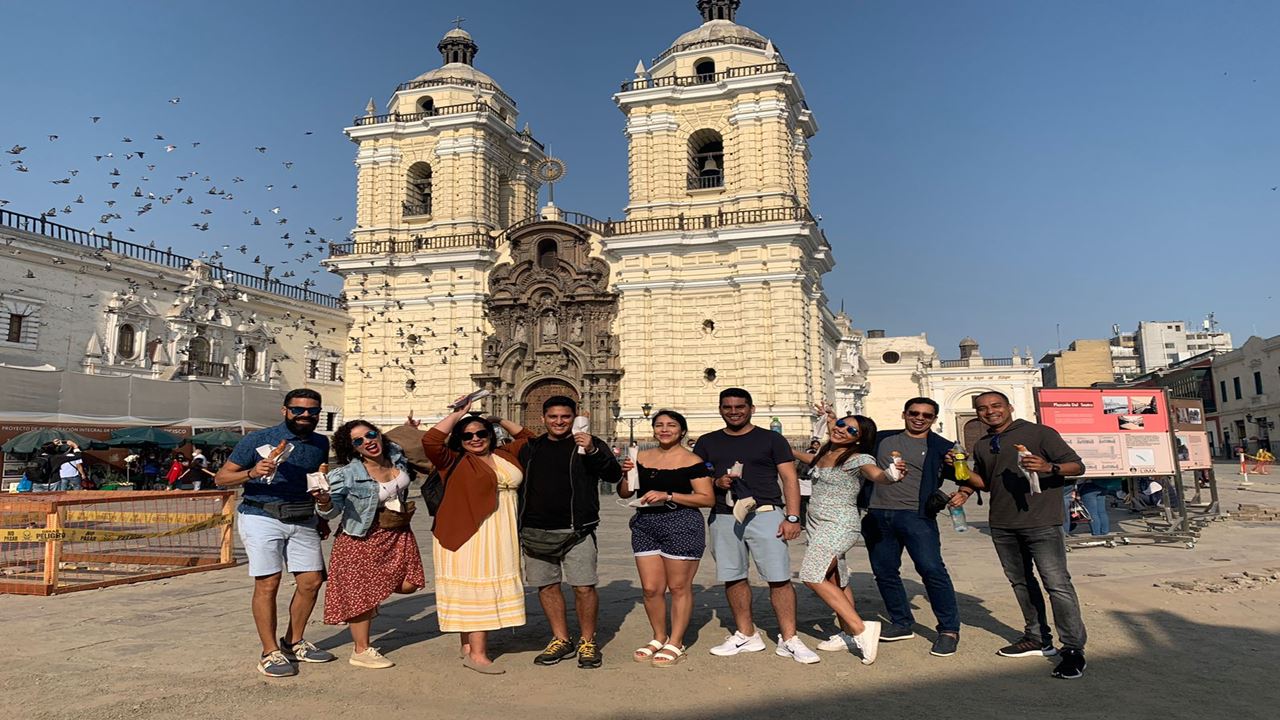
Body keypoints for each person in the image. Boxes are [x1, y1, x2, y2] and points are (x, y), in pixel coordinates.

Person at [952, 390, 1088, 679]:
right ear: (977, 413)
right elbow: (985, 483)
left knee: (1056, 584)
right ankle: (1037, 637)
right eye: (983, 408)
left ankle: (1073, 648)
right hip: (1002, 524)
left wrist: (1048, 467)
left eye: (996, 406)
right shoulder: (984, 443)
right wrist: (958, 472)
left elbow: (1077, 466)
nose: (990, 412)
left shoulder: (1040, 433)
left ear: (1009, 406)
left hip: (1041, 522)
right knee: (1021, 583)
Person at [215, 389, 336, 678]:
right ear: (285, 410)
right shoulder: (257, 439)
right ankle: (269, 651)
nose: (306, 415)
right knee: (268, 583)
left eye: (312, 411)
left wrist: (320, 509)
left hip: (302, 515)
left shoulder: (321, 442)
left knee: (311, 582)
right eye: (298, 410)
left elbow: (314, 477)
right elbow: (222, 478)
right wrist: (252, 473)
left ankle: (293, 642)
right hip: (261, 514)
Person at [694, 388, 816, 664]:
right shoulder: (707, 442)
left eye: (740, 407)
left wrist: (793, 517)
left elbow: (789, 478)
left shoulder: (771, 439)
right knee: (733, 575)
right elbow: (699, 478)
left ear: (751, 408)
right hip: (724, 514)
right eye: (728, 407)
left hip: (766, 513)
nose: (734, 411)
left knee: (779, 578)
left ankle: (790, 638)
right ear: (720, 409)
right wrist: (716, 483)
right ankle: (746, 634)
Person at [422, 396, 534, 674]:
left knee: (475, 586)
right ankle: (478, 654)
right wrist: (460, 414)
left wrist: (496, 420)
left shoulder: (505, 455)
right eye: (467, 435)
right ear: (459, 440)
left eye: (481, 433)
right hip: (468, 533)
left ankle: (468, 647)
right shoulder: (453, 461)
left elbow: (530, 438)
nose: (475, 438)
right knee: (475, 586)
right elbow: (431, 441)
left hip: (501, 532)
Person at [517, 396, 622, 670]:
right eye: (553, 417)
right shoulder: (531, 447)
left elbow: (613, 475)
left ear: (574, 417)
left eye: (565, 417)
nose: (559, 422)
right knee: (547, 586)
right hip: (535, 530)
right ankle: (561, 639)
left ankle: (588, 641)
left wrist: (594, 450)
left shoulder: (589, 444)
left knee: (584, 586)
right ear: (543, 419)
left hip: (578, 530)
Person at [856, 397, 964, 657]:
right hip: (878, 515)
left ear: (934, 419)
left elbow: (965, 474)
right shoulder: (881, 439)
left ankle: (949, 630)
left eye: (927, 415)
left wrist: (966, 491)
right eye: (914, 413)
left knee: (932, 570)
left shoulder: (942, 447)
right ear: (904, 414)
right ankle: (901, 623)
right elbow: (848, 443)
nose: (920, 418)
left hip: (917, 517)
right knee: (885, 572)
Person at [793, 409, 902, 665]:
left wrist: (891, 475)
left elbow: (877, 474)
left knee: (812, 575)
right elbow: (812, 459)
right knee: (836, 577)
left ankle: (860, 628)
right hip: (817, 525)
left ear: (859, 439)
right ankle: (847, 634)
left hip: (839, 525)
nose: (842, 430)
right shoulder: (826, 451)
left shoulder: (859, 458)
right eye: (842, 425)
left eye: (852, 431)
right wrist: (783, 448)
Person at [316, 420, 425, 669]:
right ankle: (361, 650)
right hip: (361, 537)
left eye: (371, 435)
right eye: (359, 441)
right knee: (361, 593)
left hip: (397, 532)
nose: (367, 442)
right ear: (353, 448)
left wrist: (411, 429)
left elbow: (423, 443)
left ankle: (368, 605)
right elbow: (329, 512)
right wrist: (323, 501)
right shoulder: (347, 474)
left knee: (410, 584)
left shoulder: (396, 456)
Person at [618, 410, 714, 667]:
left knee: (679, 587)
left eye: (671, 425)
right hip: (645, 524)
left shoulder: (693, 460)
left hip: (681, 523)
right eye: (659, 425)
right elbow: (626, 491)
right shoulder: (642, 457)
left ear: (682, 431)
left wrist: (668, 495)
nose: (664, 429)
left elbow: (707, 498)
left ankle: (677, 641)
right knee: (650, 588)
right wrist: (626, 473)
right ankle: (659, 636)